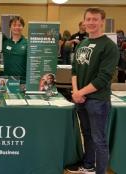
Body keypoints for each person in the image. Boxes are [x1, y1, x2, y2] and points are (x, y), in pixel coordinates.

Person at [67, 8, 119, 174]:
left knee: (99, 140)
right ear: (84, 21)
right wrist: (76, 92)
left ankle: (100, 171)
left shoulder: (109, 46)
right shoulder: (83, 44)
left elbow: (103, 78)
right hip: (81, 98)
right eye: (88, 19)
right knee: (86, 135)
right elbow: (74, 69)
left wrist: (80, 93)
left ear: (102, 22)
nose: (90, 22)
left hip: (98, 100)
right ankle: (88, 165)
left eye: (94, 19)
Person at [2, 16, 27, 85]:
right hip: (7, 81)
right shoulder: (5, 43)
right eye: (14, 25)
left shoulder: (27, 43)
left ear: (23, 27)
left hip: (23, 82)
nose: (17, 27)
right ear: (10, 27)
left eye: (19, 25)